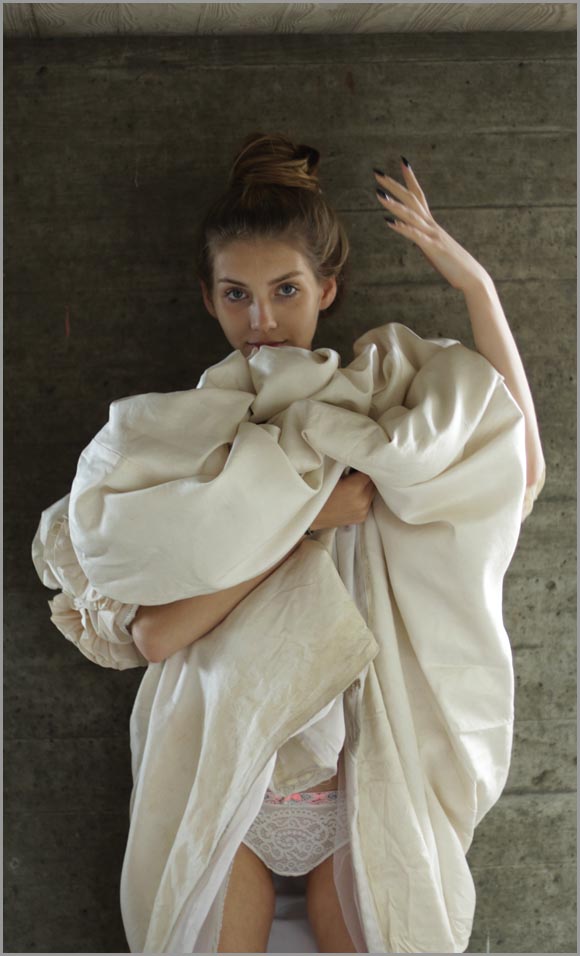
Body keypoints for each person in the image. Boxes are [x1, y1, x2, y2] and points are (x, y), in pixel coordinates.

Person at [31, 130, 546, 954]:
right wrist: (303, 522)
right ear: (208, 299)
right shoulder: (186, 443)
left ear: (326, 289)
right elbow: (156, 636)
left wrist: (478, 286)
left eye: (285, 290)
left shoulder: (377, 414)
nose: (262, 319)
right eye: (236, 294)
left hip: (357, 789)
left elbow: (512, 471)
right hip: (223, 785)